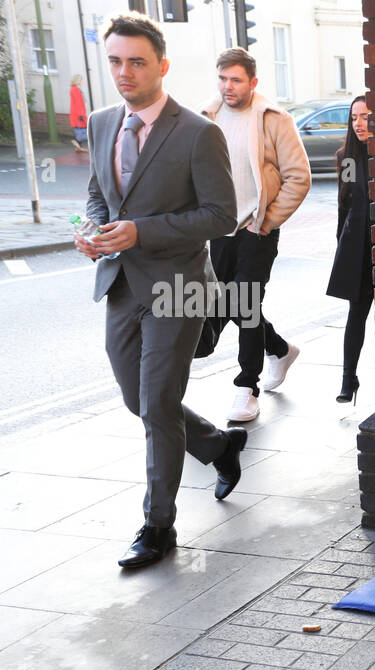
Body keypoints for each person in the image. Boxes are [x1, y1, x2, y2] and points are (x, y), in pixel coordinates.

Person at [75, 12, 246, 569]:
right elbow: (101, 195)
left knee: (156, 407)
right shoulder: (103, 123)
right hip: (122, 282)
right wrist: (95, 231)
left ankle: (157, 527)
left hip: (180, 287)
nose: (124, 72)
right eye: (115, 61)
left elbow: (222, 216)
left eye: (137, 62)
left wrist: (142, 230)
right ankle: (218, 446)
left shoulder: (199, 132)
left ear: (162, 66)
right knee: (141, 400)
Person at [200, 47, 311, 422]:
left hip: (256, 229)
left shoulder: (273, 119)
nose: (228, 86)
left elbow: (299, 176)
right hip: (220, 230)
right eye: (222, 78)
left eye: (236, 79)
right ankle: (279, 349)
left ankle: (246, 386)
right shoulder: (207, 115)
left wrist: (268, 220)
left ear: (253, 82)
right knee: (232, 303)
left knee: (244, 304)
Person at [326, 95, 374, 404]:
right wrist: (342, 245)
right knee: (356, 313)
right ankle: (348, 378)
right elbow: (344, 203)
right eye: (354, 117)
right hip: (358, 245)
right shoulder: (347, 157)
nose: (359, 123)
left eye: (365, 116)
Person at [69, 75, 88, 152]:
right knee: (82, 130)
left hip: (77, 113)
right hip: (78, 114)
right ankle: (76, 142)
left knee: (80, 129)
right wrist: (81, 115)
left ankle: (78, 147)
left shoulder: (75, 89)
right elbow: (78, 103)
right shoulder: (75, 89)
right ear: (78, 81)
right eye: (81, 80)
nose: (82, 82)